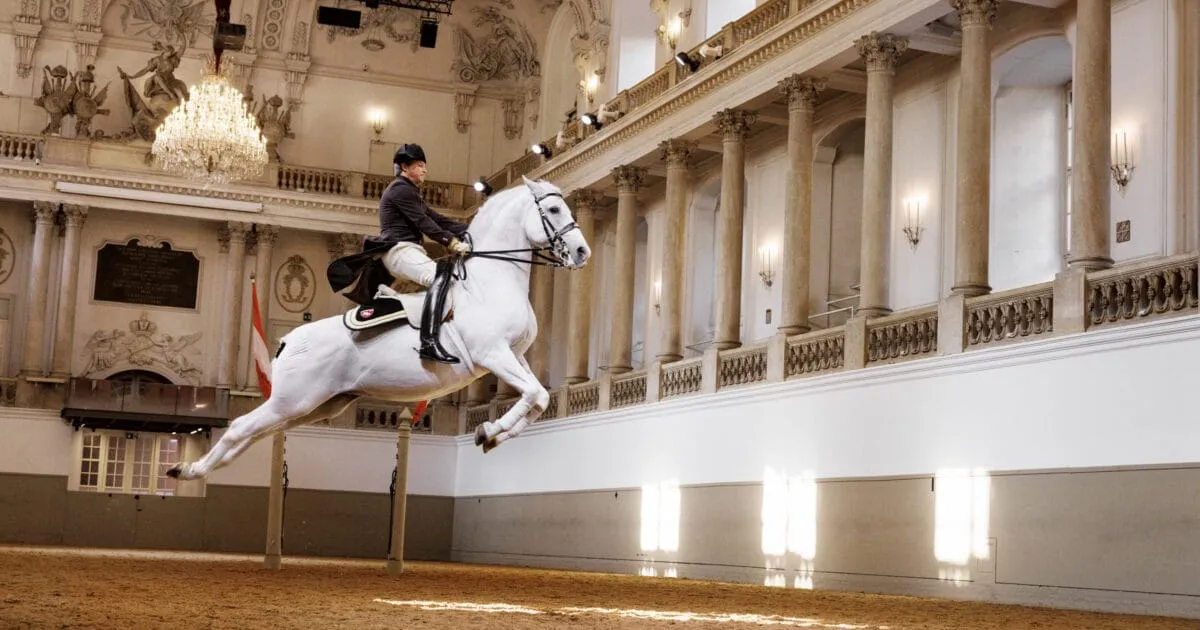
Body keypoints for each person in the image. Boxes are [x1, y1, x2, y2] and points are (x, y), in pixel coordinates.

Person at [377, 143, 472, 364]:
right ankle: (429, 343)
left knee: (447, 282)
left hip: (409, 250)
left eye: (424, 166)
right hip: (399, 250)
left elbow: (439, 219)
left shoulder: (412, 193)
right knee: (441, 280)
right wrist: (451, 242)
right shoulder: (399, 189)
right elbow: (424, 223)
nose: (424, 170)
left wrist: (474, 230)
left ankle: (396, 299)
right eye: (419, 165)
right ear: (404, 166)